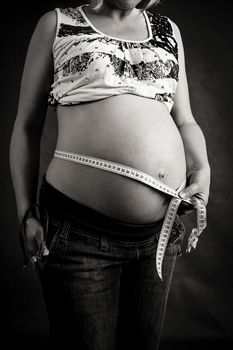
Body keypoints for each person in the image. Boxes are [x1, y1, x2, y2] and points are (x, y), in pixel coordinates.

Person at [9, 0, 211, 349]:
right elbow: (26, 127)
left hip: (157, 239)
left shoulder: (168, 30)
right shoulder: (57, 23)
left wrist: (202, 167)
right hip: (78, 234)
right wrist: (26, 212)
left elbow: (185, 120)